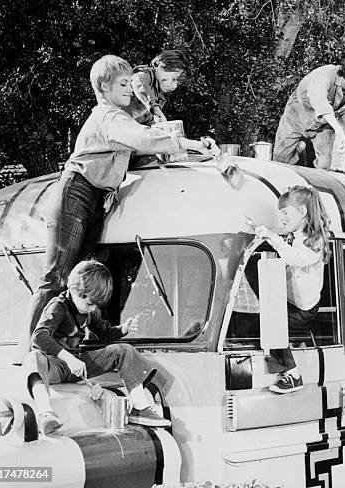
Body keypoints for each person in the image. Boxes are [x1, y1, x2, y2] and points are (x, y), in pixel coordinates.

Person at [14, 54, 216, 365]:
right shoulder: (109, 116)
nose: (130, 89)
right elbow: (144, 139)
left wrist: (195, 153)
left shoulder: (122, 117)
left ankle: (70, 341)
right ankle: (29, 349)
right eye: (123, 84)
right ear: (104, 88)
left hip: (95, 194)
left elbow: (141, 148)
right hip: (77, 189)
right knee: (56, 273)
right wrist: (189, 144)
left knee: (82, 275)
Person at [23, 260, 171, 435]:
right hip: (54, 367)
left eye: (96, 305)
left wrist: (122, 329)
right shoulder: (58, 306)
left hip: (78, 367)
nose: (92, 308)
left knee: (124, 350)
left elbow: (105, 334)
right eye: (90, 303)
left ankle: (139, 407)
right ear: (76, 291)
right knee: (33, 358)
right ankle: (46, 414)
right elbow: (39, 336)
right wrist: (69, 359)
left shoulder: (89, 311)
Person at [254, 186, 331, 393]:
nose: (282, 219)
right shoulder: (293, 236)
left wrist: (273, 237)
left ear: (303, 212)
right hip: (289, 301)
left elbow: (297, 258)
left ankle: (293, 374)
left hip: (305, 308)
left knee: (271, 324)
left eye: (286, 213)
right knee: (262, 317)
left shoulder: (317, 240)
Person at [273, 49, 345, 174]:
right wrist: (338, 130)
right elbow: (320, 101)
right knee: (280, 162)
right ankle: (299, 152)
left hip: (324, 127)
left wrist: (341, 158)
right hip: (296, 119)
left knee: (327, 164)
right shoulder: (325, 74)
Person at [124, 49, 188, 126]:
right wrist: (156, 110)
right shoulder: (145, 75)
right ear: (161, 66)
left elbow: (149, 122)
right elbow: (140, 84)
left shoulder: (160, 98)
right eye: (173, 79)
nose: (174, 86)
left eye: (178, 83)